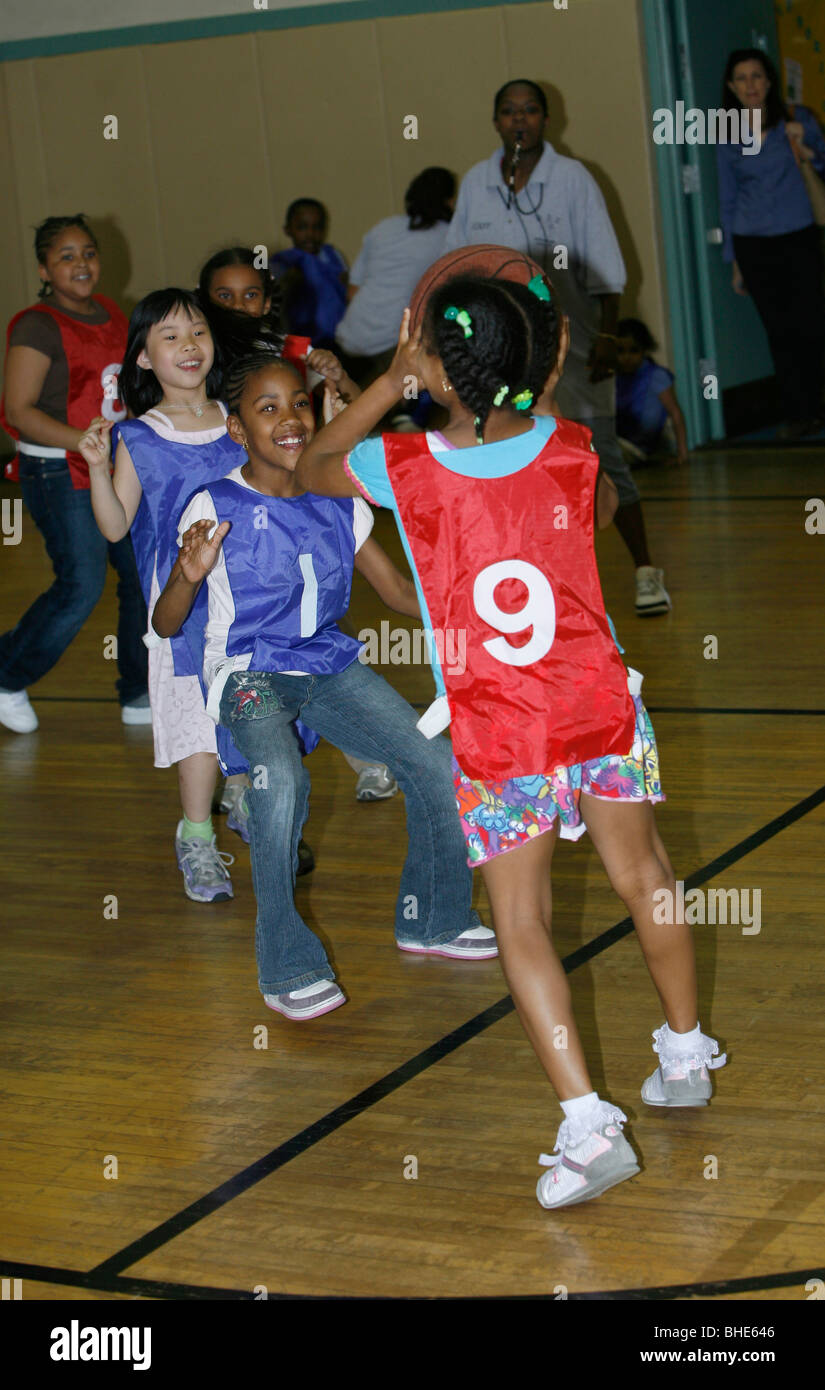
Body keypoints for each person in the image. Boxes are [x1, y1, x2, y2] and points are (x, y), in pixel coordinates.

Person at [295, 275, 725, 1208]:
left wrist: (389, 383)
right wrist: (521, 375)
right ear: (539, 364)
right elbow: (578, 482)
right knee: (645, 878)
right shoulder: (573, 447)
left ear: (435, 372)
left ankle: (585, 1125)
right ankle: (685, 1055)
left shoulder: (399, 467)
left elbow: (309, 467)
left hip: (502, 728)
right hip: (598, 704)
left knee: (521, 922)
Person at [150, 351, 497, 1020]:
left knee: (435, 764)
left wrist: (471, 593)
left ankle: (432, 918)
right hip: (247, 674)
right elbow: (167, 625)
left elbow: (397, 591)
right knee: (281, 782)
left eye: (299, 404)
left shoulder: (337, 500)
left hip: (327, 663)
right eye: (267, 408)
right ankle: (285, 964)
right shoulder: (212, 503)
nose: (289, 419)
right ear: (238, 430)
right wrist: (188, 574)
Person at [444, 79, 671, 616]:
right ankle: (532, 582)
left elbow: (605, 258)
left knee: (598, 450)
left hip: (573, 338)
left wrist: (611, 335)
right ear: (495, 121)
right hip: (497, 345)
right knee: (507, 455)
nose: (519, 120)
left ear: (547, 120)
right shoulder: (477, 181)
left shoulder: (572, 178)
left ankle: (645, 569)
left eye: (529, 111)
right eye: (508, 111)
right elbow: (454, 261)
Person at [198, 248, 399, 806]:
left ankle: (366, 752)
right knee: (239, 652)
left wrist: (338, 379)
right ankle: (241, 778)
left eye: (252, 294)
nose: (240, 306)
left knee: (317, 621)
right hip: (231, 525)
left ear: (269, 301)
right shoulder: (198, 357)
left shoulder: (289, 353)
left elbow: (351, 406)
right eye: (225, 297)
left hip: (299, 504)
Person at [79, 289, 251, 902]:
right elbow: (115, 525)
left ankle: (247, 791)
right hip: (182, 606)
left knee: (252, 708)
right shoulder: (137, 438)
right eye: (170, 336)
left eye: (198, 332)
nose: (188, 346)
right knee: (196, 724)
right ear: (144, 359)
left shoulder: (239, 420)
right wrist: (99, 468)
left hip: (250, 600)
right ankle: (198, 836)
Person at [0, 215, 149, 734]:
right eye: (66, 256)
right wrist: (86, 444)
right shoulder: (36, 324)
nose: (81, 263)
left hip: (112, 468)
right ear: (44, 268)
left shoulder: (112, 312)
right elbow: (19, 410)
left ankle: (137, 689)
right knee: (81, 584)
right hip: (59, 472)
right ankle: (6, 674)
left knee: (139, 578)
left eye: (87, 252)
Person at [718, 49, 825, 439]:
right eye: (742, 78)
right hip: (754, 244)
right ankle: (799, 414)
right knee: (779, 331)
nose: (751, 85)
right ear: (731, 86)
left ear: (769, 81)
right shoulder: (728, 133)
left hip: (798, 234)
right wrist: (735, 261)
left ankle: (815, 404)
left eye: (758, 76)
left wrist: (808, 144)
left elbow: (822, 164)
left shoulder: (798, 120)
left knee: (811, 324)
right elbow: (727, 199)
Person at [335, 167, 455, 423]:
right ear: (449, 201)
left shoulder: (382, 228)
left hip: (349, 335)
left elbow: (352, 292)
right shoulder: (449, 236)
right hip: (391, 342)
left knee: (350, 412)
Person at [271, 199, 348, 350]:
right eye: (302, 227)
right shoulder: (285, 261)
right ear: (288, 229)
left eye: (317, 227)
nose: (310, 234)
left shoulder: (332, 255)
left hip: (338, 338)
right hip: (303, 341)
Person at [616, 318, 688, 465]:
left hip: (642, 446)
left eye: (634, 351)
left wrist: (682, 452)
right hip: (623, 440)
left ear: (644, 350)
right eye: (621, 351)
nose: (627, 357)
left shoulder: (655, 376)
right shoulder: (615, 376)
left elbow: (675, 413)